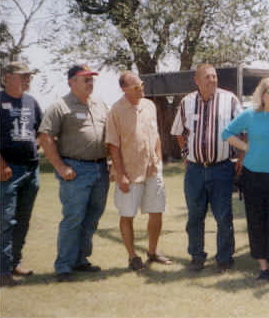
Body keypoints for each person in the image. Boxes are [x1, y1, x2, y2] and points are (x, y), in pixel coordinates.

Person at [38, 64, 110, 282]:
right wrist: (60, 166)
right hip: (75, 170)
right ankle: (64, 266)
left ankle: (80, 260)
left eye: (91, 79)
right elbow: (45, 137)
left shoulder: (100, 104)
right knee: (73, 218)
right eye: (85, 79)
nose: (90, 83)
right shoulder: (60, 106)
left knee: (92, 218)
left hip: (100, 169)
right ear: (71, 82)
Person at [170, 63, 242, 273]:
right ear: (197, 80)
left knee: (223, 216)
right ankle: (196, 256)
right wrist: (186, 154)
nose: (212, 80)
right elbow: (178, 132)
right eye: (208, 77)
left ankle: (225, 259)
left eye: (214, 76)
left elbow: (243, 131)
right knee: (195, 215)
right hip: (195, 171)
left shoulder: (230, 100)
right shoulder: (186, 102)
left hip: (222, 168)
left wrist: (241, 158)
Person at [222, 78, 269, 281]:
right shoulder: (250, 114)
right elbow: (226, 133)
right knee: (256, 221)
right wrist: (246, 148)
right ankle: (263, 266)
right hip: (254, 176)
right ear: (262, 95)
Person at [106, 71, 172, 271]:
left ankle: (152, 252)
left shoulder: (149, 106)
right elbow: (113, 146)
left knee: (157, 211)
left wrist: (158, 161)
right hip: (130, 172)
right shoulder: (116, 111)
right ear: (124, 89)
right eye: (135, 87)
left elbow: (157, 135)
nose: (141, 89)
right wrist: (121, 174)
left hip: (152, 170)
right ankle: (133, 256)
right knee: (127, 215)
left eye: (141, 85)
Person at [0, 62, 43, 287]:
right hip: (7, 170)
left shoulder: (31, 102)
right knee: (5, 220)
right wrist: (2, 164)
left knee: (23, 220)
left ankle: (15, 262)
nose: (27, 79)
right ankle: (2, 270)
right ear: (7, 77)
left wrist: (35, 148)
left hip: (31, 169)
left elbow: (40, 131)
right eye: (22, 76)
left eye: (29, 76)